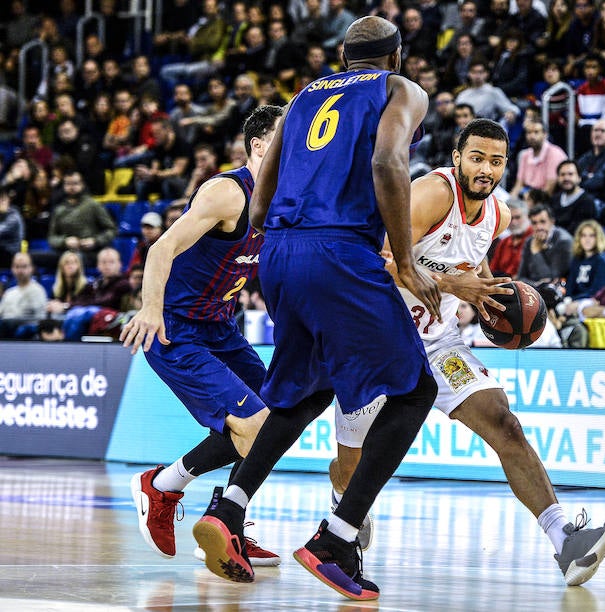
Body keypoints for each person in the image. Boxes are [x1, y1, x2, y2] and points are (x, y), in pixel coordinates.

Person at [198, 17, 441, 599]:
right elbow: (388, 163)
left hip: (279, 252)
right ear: (397, 56)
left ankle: (229, 508)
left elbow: (259, 203)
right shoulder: (400, 89)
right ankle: (336, 536)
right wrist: (405, 263)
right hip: (338, 251)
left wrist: (280, 233)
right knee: (414, 392)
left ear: (342, 55)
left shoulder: (302, 96)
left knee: (302, 392)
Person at [331, 118, 605, 587]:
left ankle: (565, 541)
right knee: (353, 467)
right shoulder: (431, 194)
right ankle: (342, 501)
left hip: (439, 342)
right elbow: (376, 262)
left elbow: (475, 266)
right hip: (374, 340)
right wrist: (453, 285)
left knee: (505, 423)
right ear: (457, 158)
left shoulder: (500, 216)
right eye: (477, 158)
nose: (486, 169)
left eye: (495, 161)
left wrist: (493, 300)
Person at [118, 106, 285, 567]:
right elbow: (161, 248)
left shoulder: (284, 200)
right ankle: (220, 516)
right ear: (259, 146)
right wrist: (151, 310)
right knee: (253, 425)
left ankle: (171, 489)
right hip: (176, 330)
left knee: (278, 420)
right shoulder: (228, 193)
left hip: (220, 327)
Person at [0, 253, 48, 339]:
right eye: (17, 267)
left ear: (31, 268)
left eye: (24, 266)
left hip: (24, 334)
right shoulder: (9, 293)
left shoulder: (37, 290)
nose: (20, 270)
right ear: (12, 269)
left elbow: (37, 319)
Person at [548, 159, 598, 236]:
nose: (566, 178)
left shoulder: (587, 202)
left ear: (579, 178)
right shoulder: (554, 199)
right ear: (558, 178)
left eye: (570, 174)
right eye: (562, 174)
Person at [489, 198, 532, 277]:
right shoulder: (504, 242)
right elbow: (492, 269)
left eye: (518, 217)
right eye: (510, 218)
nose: (514, 222)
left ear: (528, 216)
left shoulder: (535, 239)